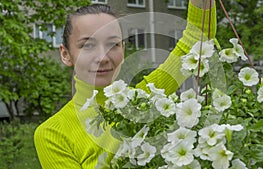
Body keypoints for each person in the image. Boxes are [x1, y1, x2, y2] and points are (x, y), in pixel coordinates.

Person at [34, 0, 217, 168]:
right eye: (87, 45)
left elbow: (197, 39)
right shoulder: (53, 134)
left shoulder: (146, 97)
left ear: (123, 48)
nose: (103, 58)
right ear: (66, 54)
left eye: (113, 44)